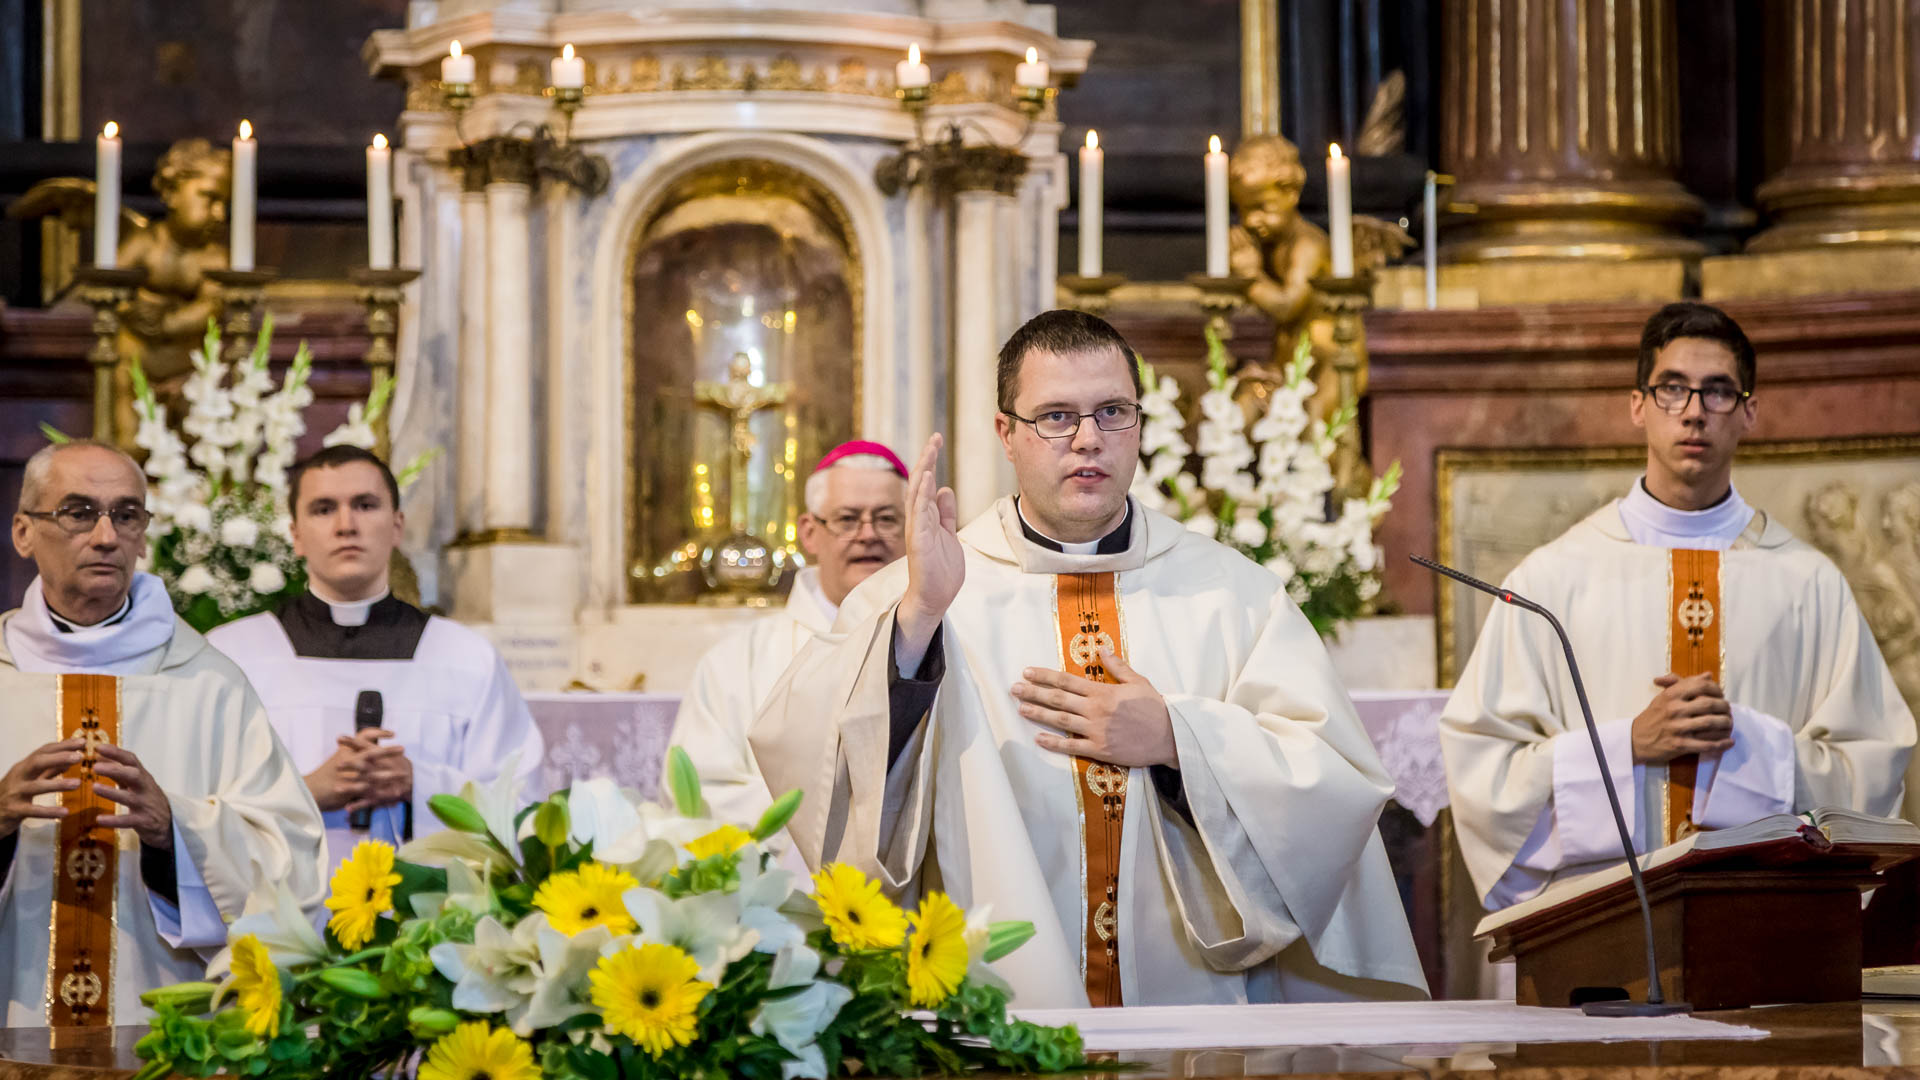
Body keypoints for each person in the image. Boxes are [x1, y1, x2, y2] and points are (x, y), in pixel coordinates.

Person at [749, 310, 1426, 1008]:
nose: (1087, 440)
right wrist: (919, 622)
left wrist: (1175, 741)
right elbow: (815, 772)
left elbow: (1333, 784)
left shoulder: (1233, 594)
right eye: (1054, 417)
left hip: (1193, 1015)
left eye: (1112, 412)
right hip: (993, 1008)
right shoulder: (921, 590)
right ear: (1005, 434)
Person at [1440, 302, 1916, 911]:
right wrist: (1629, 744)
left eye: (1718, 392)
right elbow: (1486, 773)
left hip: (1762, 917)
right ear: (1638, 405)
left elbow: (1870, 772)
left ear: (1749, 412)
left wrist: (1750, 744)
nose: (1693, 411)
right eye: (1673, 389)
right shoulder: (1551, 581)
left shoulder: (1808, 584)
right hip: (1599, 920)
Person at [0, 441, 325, 1025]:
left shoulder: (208, 682)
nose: (106, 537)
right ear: (24, 533)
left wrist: (176, 831)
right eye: (78, 513)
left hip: (159, 1029)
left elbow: (292, 861)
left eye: (126, 515)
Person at [208, 446, 542, 872]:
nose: (347, 525)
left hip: (427, 924)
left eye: (365, 506)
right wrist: (305, 791)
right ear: (296, 535)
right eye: (324, 509)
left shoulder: (466, 658)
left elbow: (524, 804)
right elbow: (192, 811)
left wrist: (419, 784)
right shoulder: (234, 654)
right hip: (275, 916)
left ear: (397, 526)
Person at [672, 441, 908, 827]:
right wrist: (841, 818)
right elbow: (701, 796)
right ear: (809, 532)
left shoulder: (944, 645)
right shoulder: (736, 663)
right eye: (847, 519)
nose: (868, 535)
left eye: (886, 519)